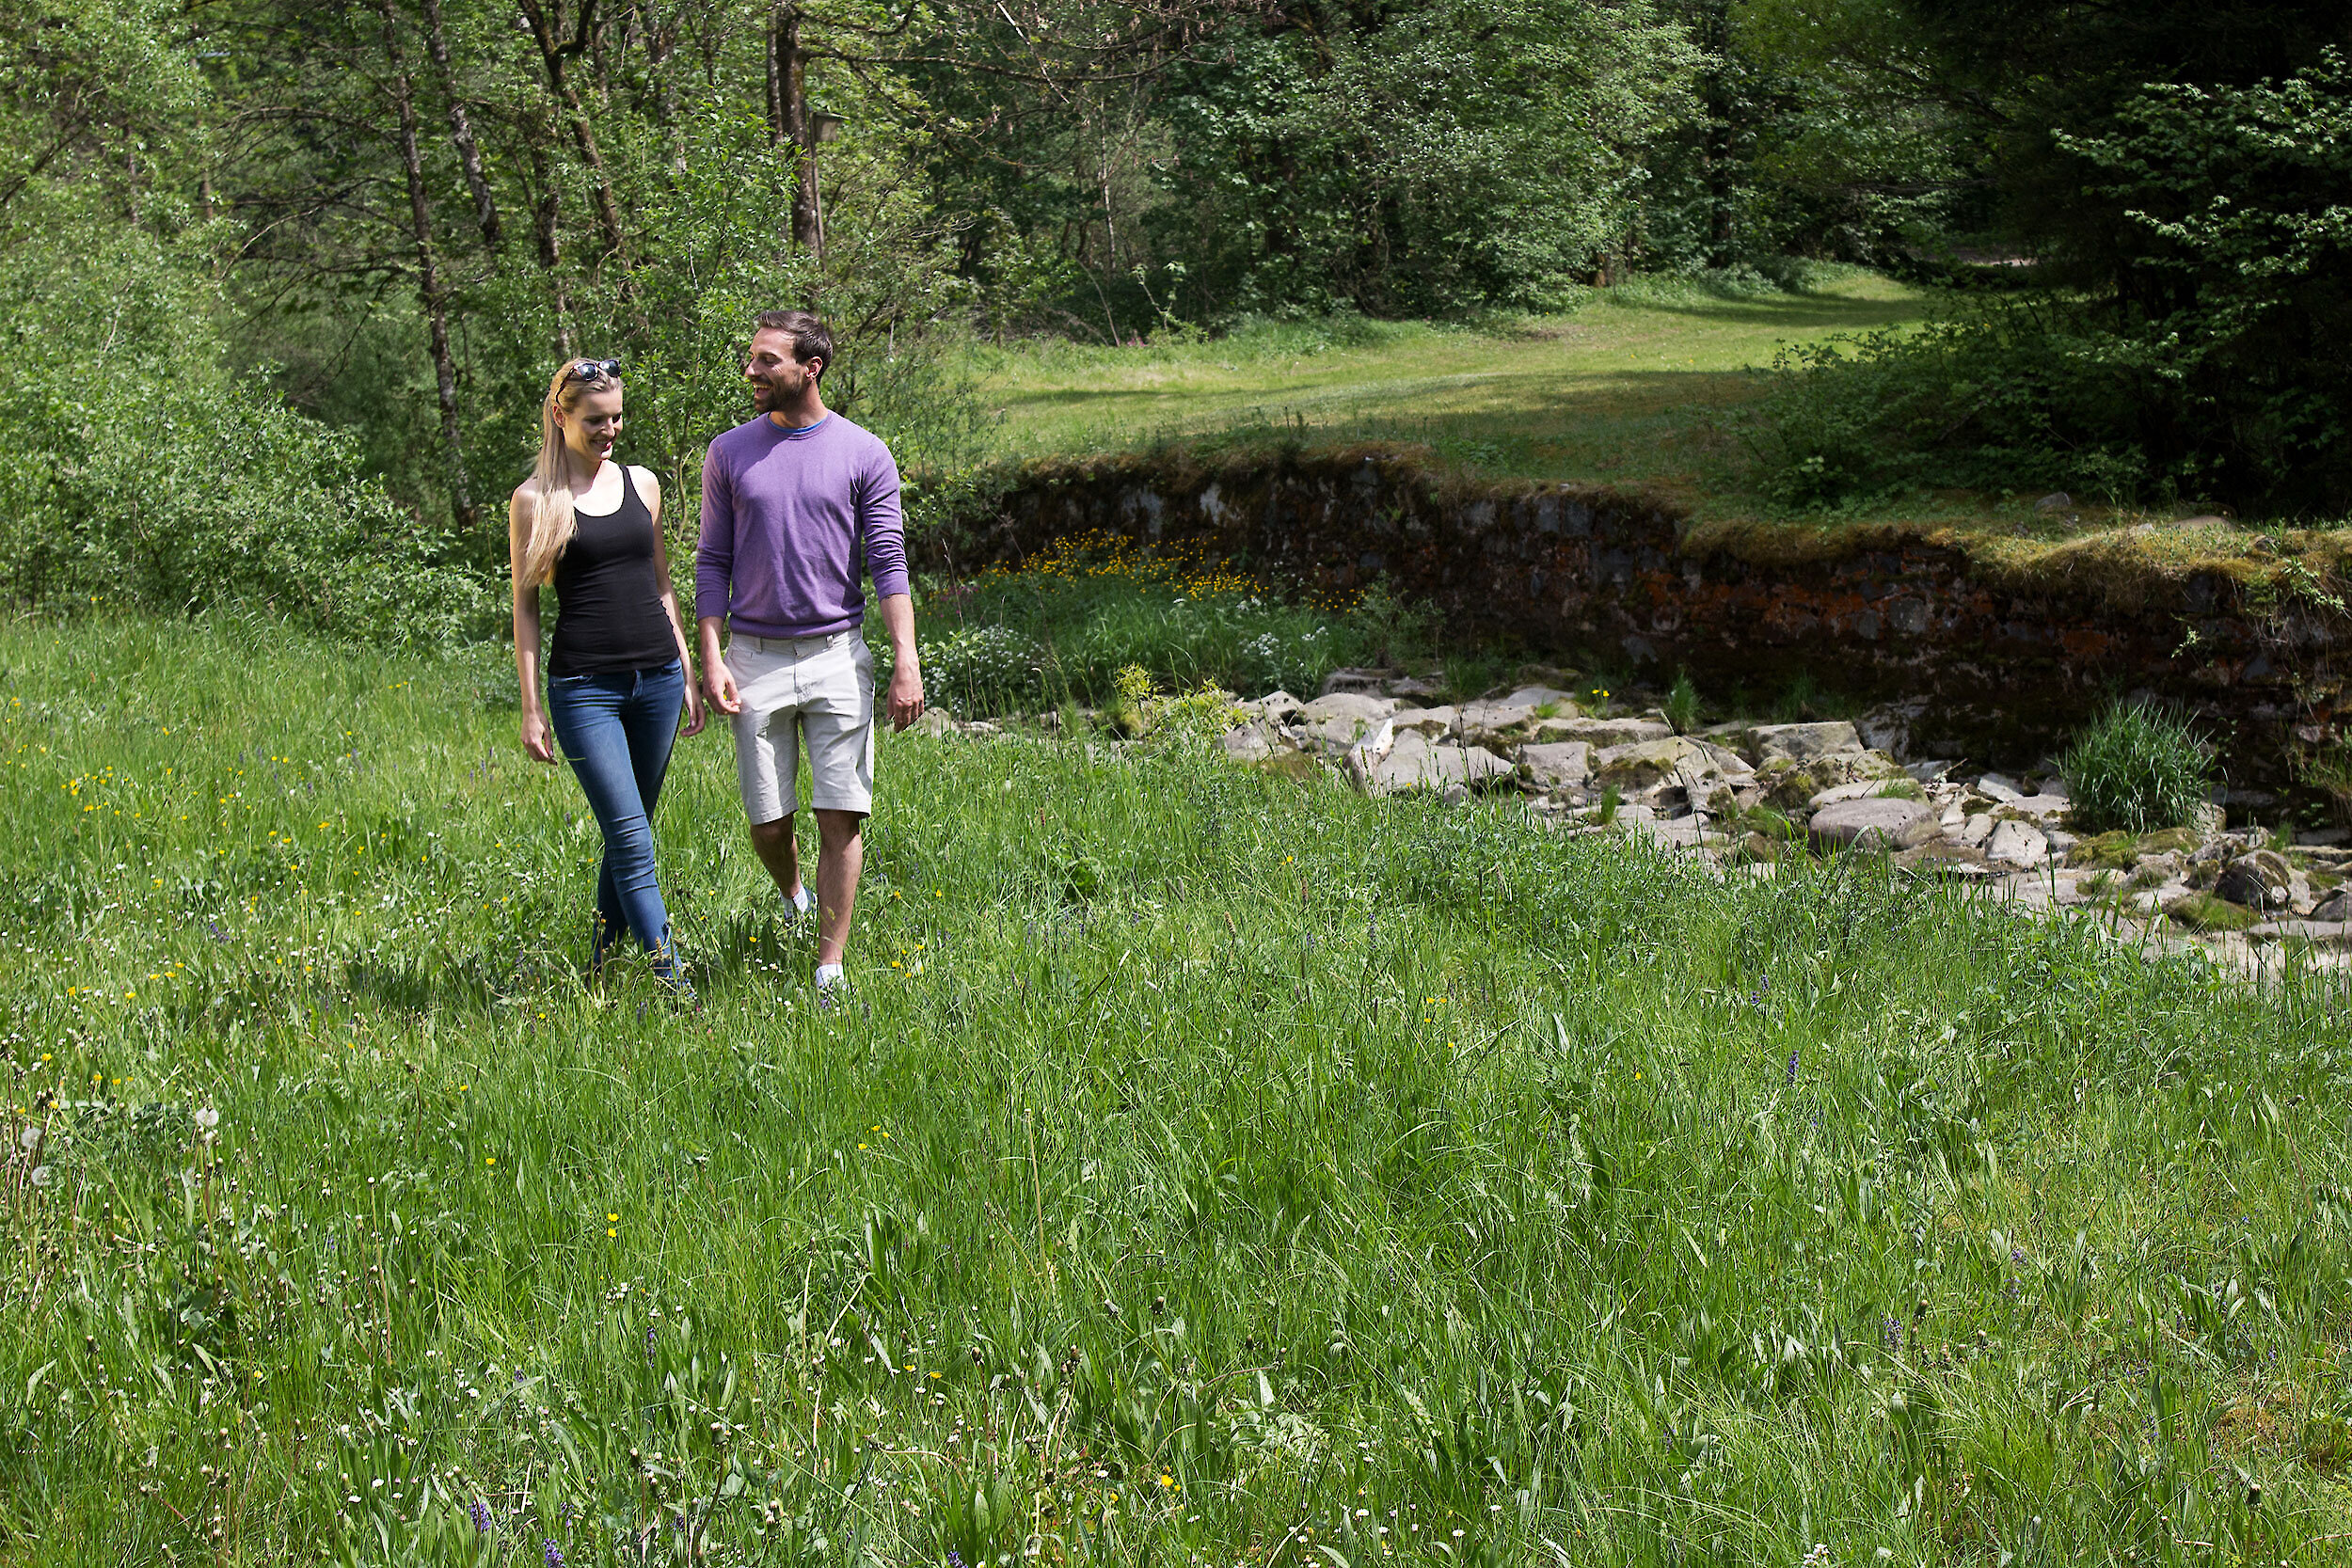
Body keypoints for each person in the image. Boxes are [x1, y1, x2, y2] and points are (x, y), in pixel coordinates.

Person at [696, 309, 924, 995]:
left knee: (841, 810)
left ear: (810, 367)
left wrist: (905, 657)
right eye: (752, 359)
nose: (751, 372)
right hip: (754, 655)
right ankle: (793, 891)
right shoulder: (728, 452)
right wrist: (711, 655)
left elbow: (888, 560)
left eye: (767, 360)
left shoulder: (864, 452)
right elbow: (711, 560)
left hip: (836, 654)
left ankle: (830, 965)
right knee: (767, 819)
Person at [510, 356, 706, 998]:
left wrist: (687, 670)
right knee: (627, 832)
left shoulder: (643, 483)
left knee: (633, 832)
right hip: (584, 689)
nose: (609, 430)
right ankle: (673, 982)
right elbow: (526, 608)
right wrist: (530, 707)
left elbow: (662, 586)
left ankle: (600, 966)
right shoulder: (535, 500)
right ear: (560, 416)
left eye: (617, 416)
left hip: (657, 683)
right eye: (595, 419)